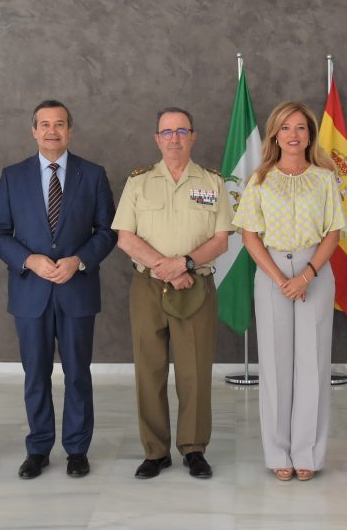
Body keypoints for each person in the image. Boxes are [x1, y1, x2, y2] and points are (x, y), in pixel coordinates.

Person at [0, 100, 116, 480]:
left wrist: (79, 260)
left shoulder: (92, 175)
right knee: (35, 374)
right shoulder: (13, 176)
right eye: (44, 124)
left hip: (76, 289)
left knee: (78, 373)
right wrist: (29, 260)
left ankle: (77, 449)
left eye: (59, 124)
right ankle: (39, 448)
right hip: (31, 292)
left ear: (70, 130)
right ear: (33, 131)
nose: (52, 131)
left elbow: (108, 232)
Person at [111, 107, 232, 480]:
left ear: (193, 136)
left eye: (181, 131)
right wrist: (167, 266)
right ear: (157, 139)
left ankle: (194, 449)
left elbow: (222, 239)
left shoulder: (213, 182)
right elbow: (125, 237)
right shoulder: (139, 182)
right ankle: (155, 451)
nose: (174, 138)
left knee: (195, 372)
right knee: (150, 371)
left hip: (195, 285)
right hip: (149, 286)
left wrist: (186, 265)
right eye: (167, 132)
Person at [232, 101, 346, 482]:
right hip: (271, 272)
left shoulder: (324, 177)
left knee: (313, 364)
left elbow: (333, 231)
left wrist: (307, 274)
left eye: (300, 128)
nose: (293, 135)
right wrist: (280, 278)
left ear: (310, 134)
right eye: (285, 128)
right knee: (277, 365)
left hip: (315, 270)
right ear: (274, 134)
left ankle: (307, 453)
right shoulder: (259, 179)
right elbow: (249, 234)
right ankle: (278, 451)